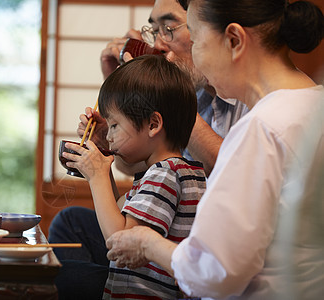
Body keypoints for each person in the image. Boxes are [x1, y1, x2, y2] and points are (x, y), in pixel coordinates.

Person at [106, 0, 324, 298]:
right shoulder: (314, 104)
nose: (192, 53)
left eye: (195, 39)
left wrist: (146, 243)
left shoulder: (262, 128)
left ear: (234, 40)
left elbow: (213, 271)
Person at [49, 0, 248, 269]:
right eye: (154, 31)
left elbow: (231, 173)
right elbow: (135, 171)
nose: (159, 44)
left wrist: (161, 96)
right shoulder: (194, 101)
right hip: (154, 243)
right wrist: (112, 133)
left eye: (169, 28)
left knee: (63, 276)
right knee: (70, 222)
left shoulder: (250, 101)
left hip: (198, 253)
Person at [62, 55, 206, 299]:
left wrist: (96, 177)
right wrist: (103, 165)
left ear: (153, 124)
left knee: (59, 275)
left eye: (115, 125)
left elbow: (119, 239)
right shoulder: (180, 170)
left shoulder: (165, 174)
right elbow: (120, 212)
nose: (109, 135)